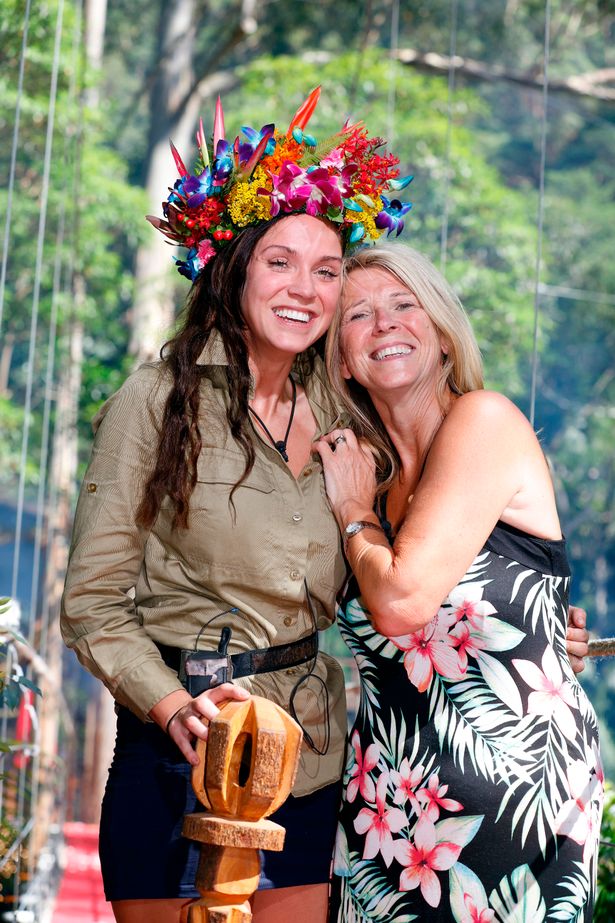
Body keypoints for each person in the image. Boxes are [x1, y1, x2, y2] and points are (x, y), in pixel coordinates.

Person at [60, 90, 589, 923]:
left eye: (326, 270)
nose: (305, 288)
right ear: (234, 267)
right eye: (280, 261)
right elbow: (91, 602)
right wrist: (170, 706)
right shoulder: (156, 399)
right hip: (179, 751)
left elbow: (429, 565)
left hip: (314, 764)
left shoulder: (354, 433)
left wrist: (529, 622)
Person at [314, 243, 603, 921]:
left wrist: (353, 513)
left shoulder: (484, 422)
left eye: (403, 305)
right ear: (342, 359)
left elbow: (402, 600)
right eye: (357, 315)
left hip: (514, 800)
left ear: (442, 335)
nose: (383, 324)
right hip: (384, 807)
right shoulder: (363, 474)